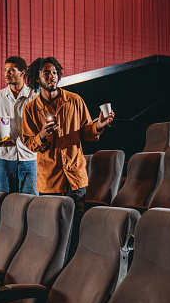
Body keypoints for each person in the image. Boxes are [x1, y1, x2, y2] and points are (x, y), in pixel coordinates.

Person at [21, 57, 114, 210]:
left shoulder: (75, 100)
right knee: (52, 226)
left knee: (75, 221)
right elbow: (29, 143)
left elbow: (87, 131)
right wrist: (43, 134)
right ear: (37, 78)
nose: (53, 76)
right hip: (49, 181)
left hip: (75, 177)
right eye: (46, 73)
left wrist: (98, 126)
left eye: (55, 72)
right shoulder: (30, 109)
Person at [0, 56, 38, 195]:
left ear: (22, 72)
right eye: (5, 70)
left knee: (30, 203)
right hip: (5, 157)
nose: (6, 74)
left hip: (29, 158)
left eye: (11, 70)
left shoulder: (34, 96)